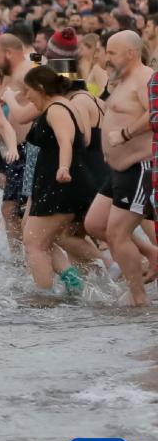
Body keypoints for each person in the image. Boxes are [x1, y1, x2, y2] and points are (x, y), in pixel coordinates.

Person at [84, 31, 156, 307]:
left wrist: (125, 134)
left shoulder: (145, 78)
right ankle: (151, 252)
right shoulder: (122, 80)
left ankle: (138, 297)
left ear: (131, 53)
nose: (107, 58)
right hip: (117, 170)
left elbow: (154, 115)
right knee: (94, 224)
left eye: (112, 53)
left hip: (139, 167)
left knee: (117, 234)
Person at [22, 66, 96, 292]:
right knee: (39, 238)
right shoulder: (63, 105)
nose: (27, 96)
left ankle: (44, 298)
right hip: (59, 184)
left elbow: (66, 141)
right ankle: (72, 279)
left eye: (28, 90)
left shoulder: (56, 109)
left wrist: (63, 167)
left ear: (40, 88)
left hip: (62, 184)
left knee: (34, 243)